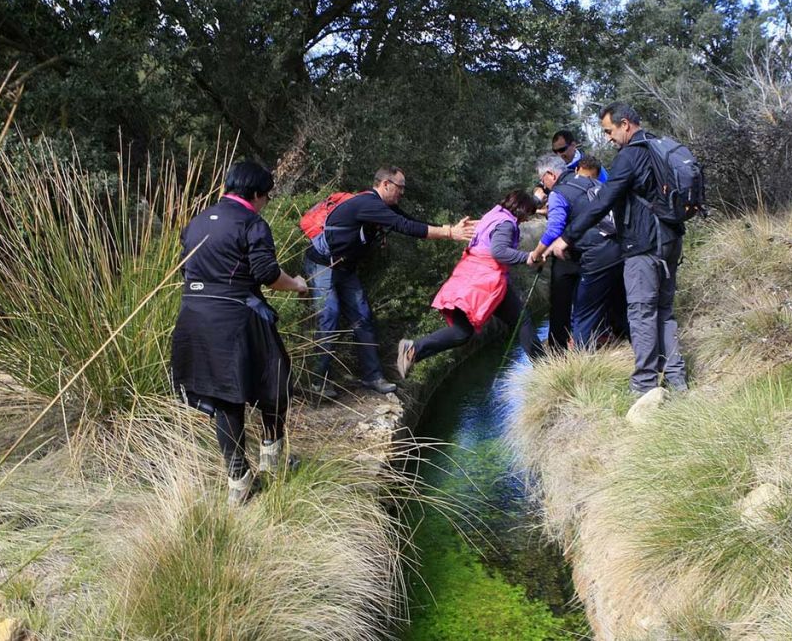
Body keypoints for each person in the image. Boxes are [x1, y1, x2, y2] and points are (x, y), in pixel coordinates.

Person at [171, 161, 308, 506]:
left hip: (194, 319)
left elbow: (185, 269)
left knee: (224, 397)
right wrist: (297, 285)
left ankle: (238, 481)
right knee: (276, 381)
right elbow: (266, 273)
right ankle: (272, 462)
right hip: (235, 317)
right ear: (258, 194)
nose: (266, 203)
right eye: (267, 196)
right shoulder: (252, 223)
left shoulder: (198, 221)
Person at [546, 102, 688, 394]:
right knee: (664, 311)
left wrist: (568, 236)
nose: (608, 138)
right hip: (671, 239)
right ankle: (677, 379)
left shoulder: (630, 156)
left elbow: (603, 201)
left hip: (644, 246)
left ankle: (645, 385)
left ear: (625, 125)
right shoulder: (659, 146)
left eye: (609, 131)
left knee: (640, 313)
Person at [303, 166, 475, 397]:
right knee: (329, 316)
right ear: (385, 184)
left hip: (345, 268)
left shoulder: (384, 206)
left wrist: (448, 229)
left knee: (363, 317)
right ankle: (317, 381)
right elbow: (404, 227)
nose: (402, 193)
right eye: (400, 188)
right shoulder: (368, 204)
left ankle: (372, 377)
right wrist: (449, 234)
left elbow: (409, 221)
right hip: (322, 265)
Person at [396, 190, 542, 376]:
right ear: (521, 210)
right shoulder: (506, 224)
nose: (527, 220)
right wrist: (529, 257)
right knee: (522, 320)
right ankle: (544, 366)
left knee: (462, 332)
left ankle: (413, 350)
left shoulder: (494, 214)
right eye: (527, 214)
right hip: (485, 283)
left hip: (467, 277)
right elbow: (499, 252)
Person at [568, 156, 629, 348]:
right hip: (620, 252)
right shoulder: (603, 187)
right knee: (620, 302)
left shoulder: (572, 191)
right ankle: (628, 340)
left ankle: (582, 355)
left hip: (596, 257)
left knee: (584, 310)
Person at [528, 153, 582, 351]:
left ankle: (558, 350)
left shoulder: (558, 192)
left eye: (543, 180)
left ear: (550, 174)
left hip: (568, 254)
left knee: (560, 304)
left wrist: (537, 253)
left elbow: (554, 229)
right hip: (596, 253)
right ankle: (581, 343)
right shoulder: (586, 182)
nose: (544, 185)